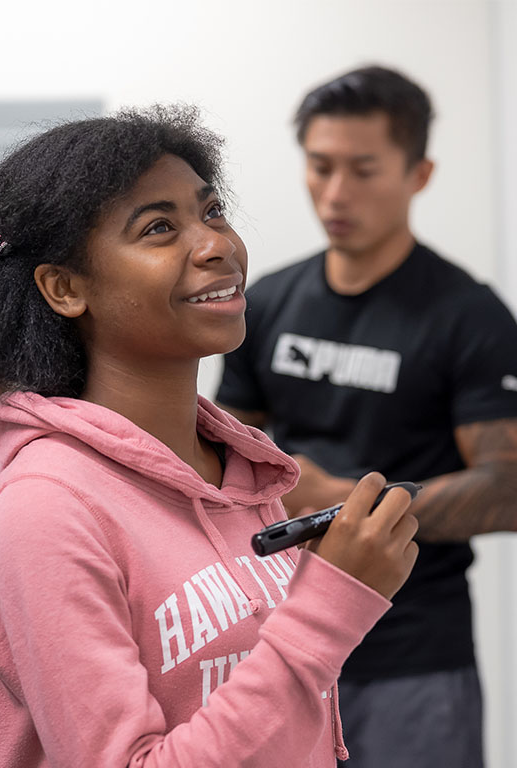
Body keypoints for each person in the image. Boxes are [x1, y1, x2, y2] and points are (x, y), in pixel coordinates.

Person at [0, 105, 420, 768]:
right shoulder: (46, 510)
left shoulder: (241, 473)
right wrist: (331, 604)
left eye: (213, 211)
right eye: (159, 227)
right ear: (64, 287)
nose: (216, 244)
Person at [217, 65, 517, 768]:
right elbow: (219, 453)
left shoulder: (468, 316)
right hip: (275, 643)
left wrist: (339, 501)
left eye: (363, 169)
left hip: (412, 656)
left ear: (419, 173)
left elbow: (508, 488)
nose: (335, 193)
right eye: (320, 167)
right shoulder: (268, 301)